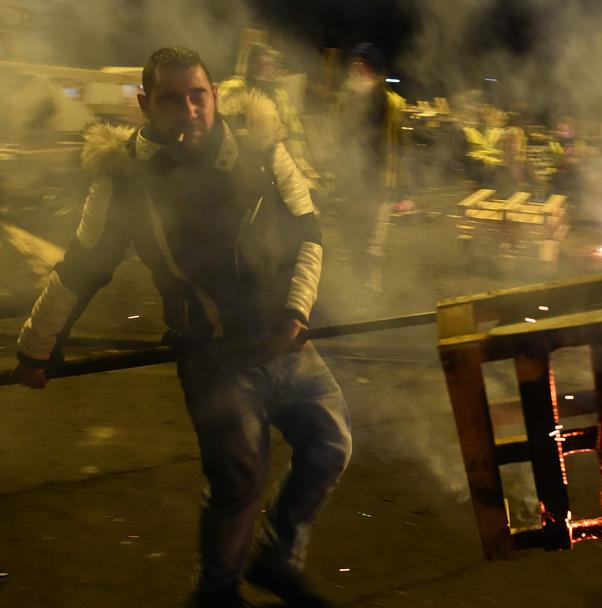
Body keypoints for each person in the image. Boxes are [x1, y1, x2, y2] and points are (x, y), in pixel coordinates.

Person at [13, 47, 350, 608]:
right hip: (212, 355)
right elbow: (81, 266)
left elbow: (308, 233)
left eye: (198, 96)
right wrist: (36, 346)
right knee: (239, 480)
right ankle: (215, 593)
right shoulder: (124, 178)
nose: (189, 110)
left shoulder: (264, 150)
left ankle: (276, 555)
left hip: (283, 338)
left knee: (330, 444)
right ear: (146, 105)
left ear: (215, 95)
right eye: (172, 99)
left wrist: (296, 313)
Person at [332, 42, 406, 296]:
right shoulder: (346, 98)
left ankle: (370, 290)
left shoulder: (392, 103)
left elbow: (398, 146)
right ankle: (355, 286)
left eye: (362, 65)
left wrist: (402, 187)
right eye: (354, 64)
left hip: (379, 182)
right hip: (351, 178)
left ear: (373, 71)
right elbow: (339, 137)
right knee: (353, 236)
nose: (356, 69)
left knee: (374, 241)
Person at [219, 42, 313, 176]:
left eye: (269, 66)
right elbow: (219, 113)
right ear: (250, 65)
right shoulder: (235, 87)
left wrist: (299, 160)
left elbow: (294, 128)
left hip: (275, 158)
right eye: (260, 66)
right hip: (238, 156)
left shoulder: (280, 95)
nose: (265, 71)